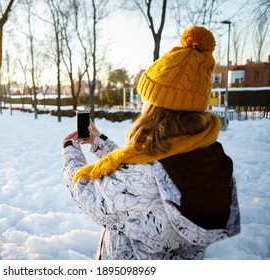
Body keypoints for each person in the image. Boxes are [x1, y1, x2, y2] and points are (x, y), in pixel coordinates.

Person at [62, 26, 240, 260]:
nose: (142, 105)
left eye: (146, 98)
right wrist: (100, 143)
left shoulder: (143, 175)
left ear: (157, 107)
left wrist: (70, 151)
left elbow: (87, 193)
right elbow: (141, 172)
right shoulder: (209, 159)